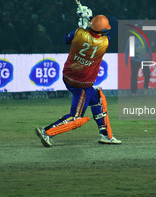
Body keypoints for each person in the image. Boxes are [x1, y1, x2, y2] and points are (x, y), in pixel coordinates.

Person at [35, 8, 121, 147]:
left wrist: (83, 25)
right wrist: (89, 19)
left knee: (97, 100)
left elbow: (65, 39)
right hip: (82, 84)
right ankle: (47, 131)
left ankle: (105, 135)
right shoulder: (105, 42)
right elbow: (102, 33)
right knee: (76, 117)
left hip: (68, 75)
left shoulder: (78, 33)